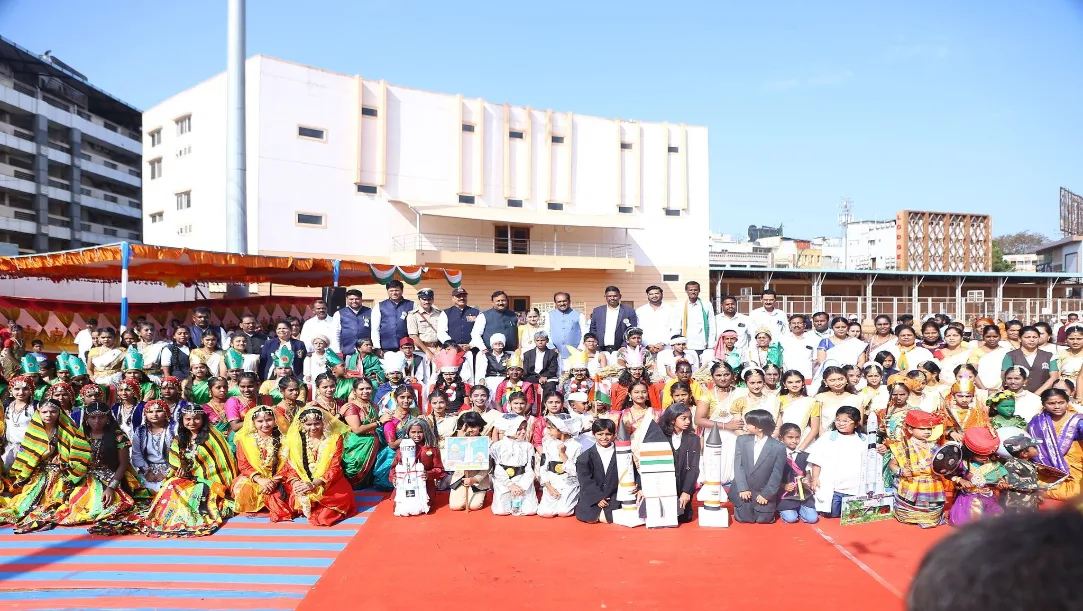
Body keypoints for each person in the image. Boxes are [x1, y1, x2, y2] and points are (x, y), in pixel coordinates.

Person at [141, 403, 237, 537]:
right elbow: (177, 460)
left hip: (209, 480)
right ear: (182, 420)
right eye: (188, 419)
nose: (192, 422)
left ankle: (190, 517)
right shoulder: (181, 436)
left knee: (196, 493)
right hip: (189, 477)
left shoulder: (213, 436)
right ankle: (167, 518)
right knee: (170, 485)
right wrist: (182, 469)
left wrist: (195, 474)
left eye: (196, 418)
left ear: (203, 419)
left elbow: (221, 463)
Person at [0, 400, 91, 532]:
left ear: (60, 412)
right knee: (23, 505)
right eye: (44, 412)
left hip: (62, 474)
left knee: (56, 502)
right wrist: (43, 456)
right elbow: (27, 457)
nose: (49, 415)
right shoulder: (33, 431)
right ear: (39, 413)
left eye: (53, 411)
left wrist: (63, 462)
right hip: (38, 474)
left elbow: (79, 454)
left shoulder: (68, 429)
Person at [283, 405, 356, 526]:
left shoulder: (334, 439)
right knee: (285, 502)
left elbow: (335, 467)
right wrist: (296, 483)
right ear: (302, 425)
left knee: (324, 517)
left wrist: (313, 484)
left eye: (317, 423)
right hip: (302, 481)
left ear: (323, 422)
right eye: (308, 424)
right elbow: (289, 465)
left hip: (330, 482)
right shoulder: (295, 439)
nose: (313, 428)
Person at [888, 410, 947, 528]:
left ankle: (931, 518)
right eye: (922, 429)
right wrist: (900, 471)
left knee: (932, 509)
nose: (926, 432)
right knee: (910, 509)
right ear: (910, 429)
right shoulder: (902, 447)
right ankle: (910, 516)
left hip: (932, 483)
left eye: (929, 429)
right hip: (911, 483)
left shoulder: (935, 447)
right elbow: (892, 464)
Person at [728, 409, 785, 524]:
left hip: (763, 493)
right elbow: (738, 466)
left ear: (759, 428)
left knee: (763, 520)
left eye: (749, 423)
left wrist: (766, 494)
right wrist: (743, 488)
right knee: (744, 519)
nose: (746, 425)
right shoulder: (742, 440)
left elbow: (776, 474)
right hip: (744, 493)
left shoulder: (778, 447)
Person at [808, 406, 866, 517]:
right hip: (834, 490)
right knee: (832, 515)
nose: (841, 423)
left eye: (846, 421)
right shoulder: (827, 437)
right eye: (838, 420)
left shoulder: (864, 439)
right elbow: (816, 458)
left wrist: (881, 448)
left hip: (855, 489)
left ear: (856, 423)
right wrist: (815, 478)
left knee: (850, 517)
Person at [1027, 387, 1083, 501]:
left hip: (1072, 463)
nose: (1057, 406)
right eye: (1051, 403)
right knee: (1036, 488)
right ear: (1044, 404)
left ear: (1067, 402)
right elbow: (1034, 444)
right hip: (1046, 466)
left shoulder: (1077, 420)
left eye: (1061, 402)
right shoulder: (1037, 421)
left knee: (1074, 492)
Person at [947, 427, 1008, 526]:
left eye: (988, 455)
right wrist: (960, 479)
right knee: (972, 515)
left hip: (989, 497)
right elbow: (947, 473)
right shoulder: (962, 463)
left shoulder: (995, 465)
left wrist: (1002, 484)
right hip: (968, 498)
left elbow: (1000, 480)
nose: (985, 458)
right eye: (980, 455)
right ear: (970, 453)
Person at [658, 402, 701, 524]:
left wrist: (687, 491)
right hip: (663, 486)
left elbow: (694, 467)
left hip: (683, 484)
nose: (687, 421)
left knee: (684, 518)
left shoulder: (694, 439)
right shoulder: (659, 437)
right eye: (683, 418)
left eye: (689, 418)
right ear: (672, 420)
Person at [489, 414, 539, 516]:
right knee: (501, 511)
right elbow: (496, 468)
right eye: (519, 429)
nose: (524, 432)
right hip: (504, 481)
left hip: (523, 480)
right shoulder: (496, 446)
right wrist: (510, 485)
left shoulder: (528, 446)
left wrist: (521, 487)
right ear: (509, 429)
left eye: (525, 428)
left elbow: (530, 469)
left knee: (530, 511)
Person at [574, 418, 619, 523]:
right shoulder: (584, 457)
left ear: (613, 435)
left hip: (614, 495)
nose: (604, 437)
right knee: (592, 518)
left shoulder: (622, 453)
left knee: (608, 518)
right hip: (591, 495)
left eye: (608, 434)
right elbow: (585, 480)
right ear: (594, 434)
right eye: (600, 434)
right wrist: (597, 498)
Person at [447, 411, 492, 511]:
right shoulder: (455, 440)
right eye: (466, 427)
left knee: (474, 506)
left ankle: (483, 496)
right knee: (456, 506)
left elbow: (487, 467)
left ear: (480, 426)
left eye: (473, 427)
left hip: (477, 480)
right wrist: (459, 441)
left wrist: (474, 479)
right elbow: (451, 461)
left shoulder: (485, 443)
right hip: (460, 478)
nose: (470, 430)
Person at [777, 422, 818, 524]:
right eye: (790, 437)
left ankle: (800, 509)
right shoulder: (777, 455)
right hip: (786, 495)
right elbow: (772, 476)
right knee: (791, 519)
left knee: (812, 519)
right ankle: (787, 510)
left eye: (797, 437)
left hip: (804, 495)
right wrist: (784, 485)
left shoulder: (805, 455)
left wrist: (807, 480)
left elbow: (808, 472)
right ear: (781, 438)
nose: (794, 441)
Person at [130, 399, 174, 493]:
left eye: (159, 411)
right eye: (150, 412)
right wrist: (146, 471)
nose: (154, 414)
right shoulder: (141, 431)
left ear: (166, 412)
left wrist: (166, 472)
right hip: (147, 471)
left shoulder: (173, 430)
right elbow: (136, 454)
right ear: (145, 414)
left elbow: (180, 454)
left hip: (171, 470)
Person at [1003, 326, 1059, 395]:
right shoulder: (1010, 356)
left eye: (1035, 337)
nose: (1032, 340)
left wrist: (1036, 395)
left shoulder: (1049, 356)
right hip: (1016, 396)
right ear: (1020, 339)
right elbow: (1005, 376)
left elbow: (1054, 377)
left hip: (1043, 397)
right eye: (1027, 337)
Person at [999, 433, 1042, 514]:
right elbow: (1012, 483)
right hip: (1017, 504)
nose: (1037, 448)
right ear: (1024, 453)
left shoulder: (1029, 463)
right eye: (1034, 447)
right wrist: (1036, 486)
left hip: (1029, 502)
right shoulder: (1011, 464)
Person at [588, 286, 638, 353]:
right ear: (605, 297)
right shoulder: (597, 311)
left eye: (615, 296)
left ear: (620, 296)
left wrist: (624, 345)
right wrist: (595, 344)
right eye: (609, 296)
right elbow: (593, 329)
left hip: (621, 349)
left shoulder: (629, 311)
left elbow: (632, 330)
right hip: (600, 349)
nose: (612, 298)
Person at [546, 292, 589, 367]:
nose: (562, 303)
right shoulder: (549, 315)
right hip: (555, 353)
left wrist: (580, 348)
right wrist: (551, 347)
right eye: (559, 301)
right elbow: (546, 332)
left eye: (564, 301)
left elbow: (585, 333)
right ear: (555, 303)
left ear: (569, 301)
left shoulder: (579, 315)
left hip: (575, 354)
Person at [674, 281, 714, 361]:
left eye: (695, 290)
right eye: (690, 290)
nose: (693, 292)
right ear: (686, 291)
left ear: (699, 291)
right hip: (686, 345)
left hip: (702, 344)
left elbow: (711, 325)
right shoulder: (680, 305)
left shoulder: (706, 305)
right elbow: (677, 326)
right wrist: (677, 343)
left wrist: (710, 345)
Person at [3, 374, 37, 468]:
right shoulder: (6, 407)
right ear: (11, 390)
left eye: (25, 389)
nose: (21, 392)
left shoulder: (35, 407)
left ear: (31, 390)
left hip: (29, 450)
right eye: (17, 389)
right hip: (8, 449)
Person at [635, 286, 674, 360]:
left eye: (657, 293)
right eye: (651, 294)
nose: (654, 296)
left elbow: (675, 329)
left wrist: (663, 344)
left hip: (666, 348)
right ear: (647, 296)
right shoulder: (640, 311)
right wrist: (647, 345)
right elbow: (638, 330)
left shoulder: (671, 309)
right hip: (646, 349)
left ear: (662, 294)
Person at [331, 289, 372, 357]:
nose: (354, 301)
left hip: (367, 353)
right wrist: (337, 351)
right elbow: (336, 334)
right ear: (347, 299)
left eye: (357, 299)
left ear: (361, 299)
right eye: (351, 299)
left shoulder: (370, 311)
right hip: (348, 352)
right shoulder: (339, 314)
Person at [779, 314, 817, 386]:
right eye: (793, 323)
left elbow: (815, 360)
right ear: (790, 325)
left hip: (807, 376)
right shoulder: (782, 339)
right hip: (788, 375)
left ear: (804, 325)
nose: (796, 325)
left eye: (799, 323)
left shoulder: (813, 338)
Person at [406, 287, 443, 361]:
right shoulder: (413, 315)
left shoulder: (440, 314)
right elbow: (413, 336)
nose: (427, 302)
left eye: (429, 299)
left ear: (432, 300)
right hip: (421, 350)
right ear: (419, 299)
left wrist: (440, 348)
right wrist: (427, 351)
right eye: (424, 299)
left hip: (438, 349)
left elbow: (443, 332)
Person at [522, 330, 559, 396]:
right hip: (532, 377)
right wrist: (538, 379)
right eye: (538, 340)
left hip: (548, 378)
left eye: (542, 340)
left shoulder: (552, 354)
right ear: (534, 341)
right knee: (526, 386)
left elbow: (553, 369)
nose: (540, 342)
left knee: (550, 387)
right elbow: (526, 371)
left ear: (547, 341)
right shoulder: (527, 354)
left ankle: (545, 406)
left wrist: (545, 377)